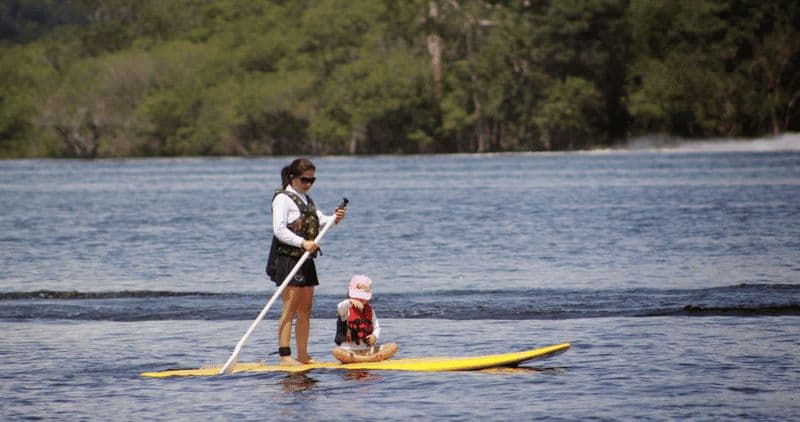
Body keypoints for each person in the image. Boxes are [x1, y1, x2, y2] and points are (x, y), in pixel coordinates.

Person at [267, 157, 346, 366]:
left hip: (307, 260)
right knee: (290, 308)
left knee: (306, 310)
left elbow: (322, 222)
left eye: (312, 180)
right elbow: (279, 230)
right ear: (293, 178)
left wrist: (335, 219)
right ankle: (285, 356)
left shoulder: (307, 200)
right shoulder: (283, 199)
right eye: (305, 180)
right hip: (289, 259)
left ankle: (303, 355)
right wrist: (303, 243)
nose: (308, 184)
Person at [332, 275, 398, 363]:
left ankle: (371, 357)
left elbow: (376, 326)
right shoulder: (345, 309)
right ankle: (369, 359)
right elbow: (339, 307)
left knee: (393, 346)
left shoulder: (370, 310)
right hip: (350, 351)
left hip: (368, 350)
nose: (360, 299)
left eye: (363, 297)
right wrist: (350, 301)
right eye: (357, 296)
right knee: (336, 351)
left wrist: (374, 336)